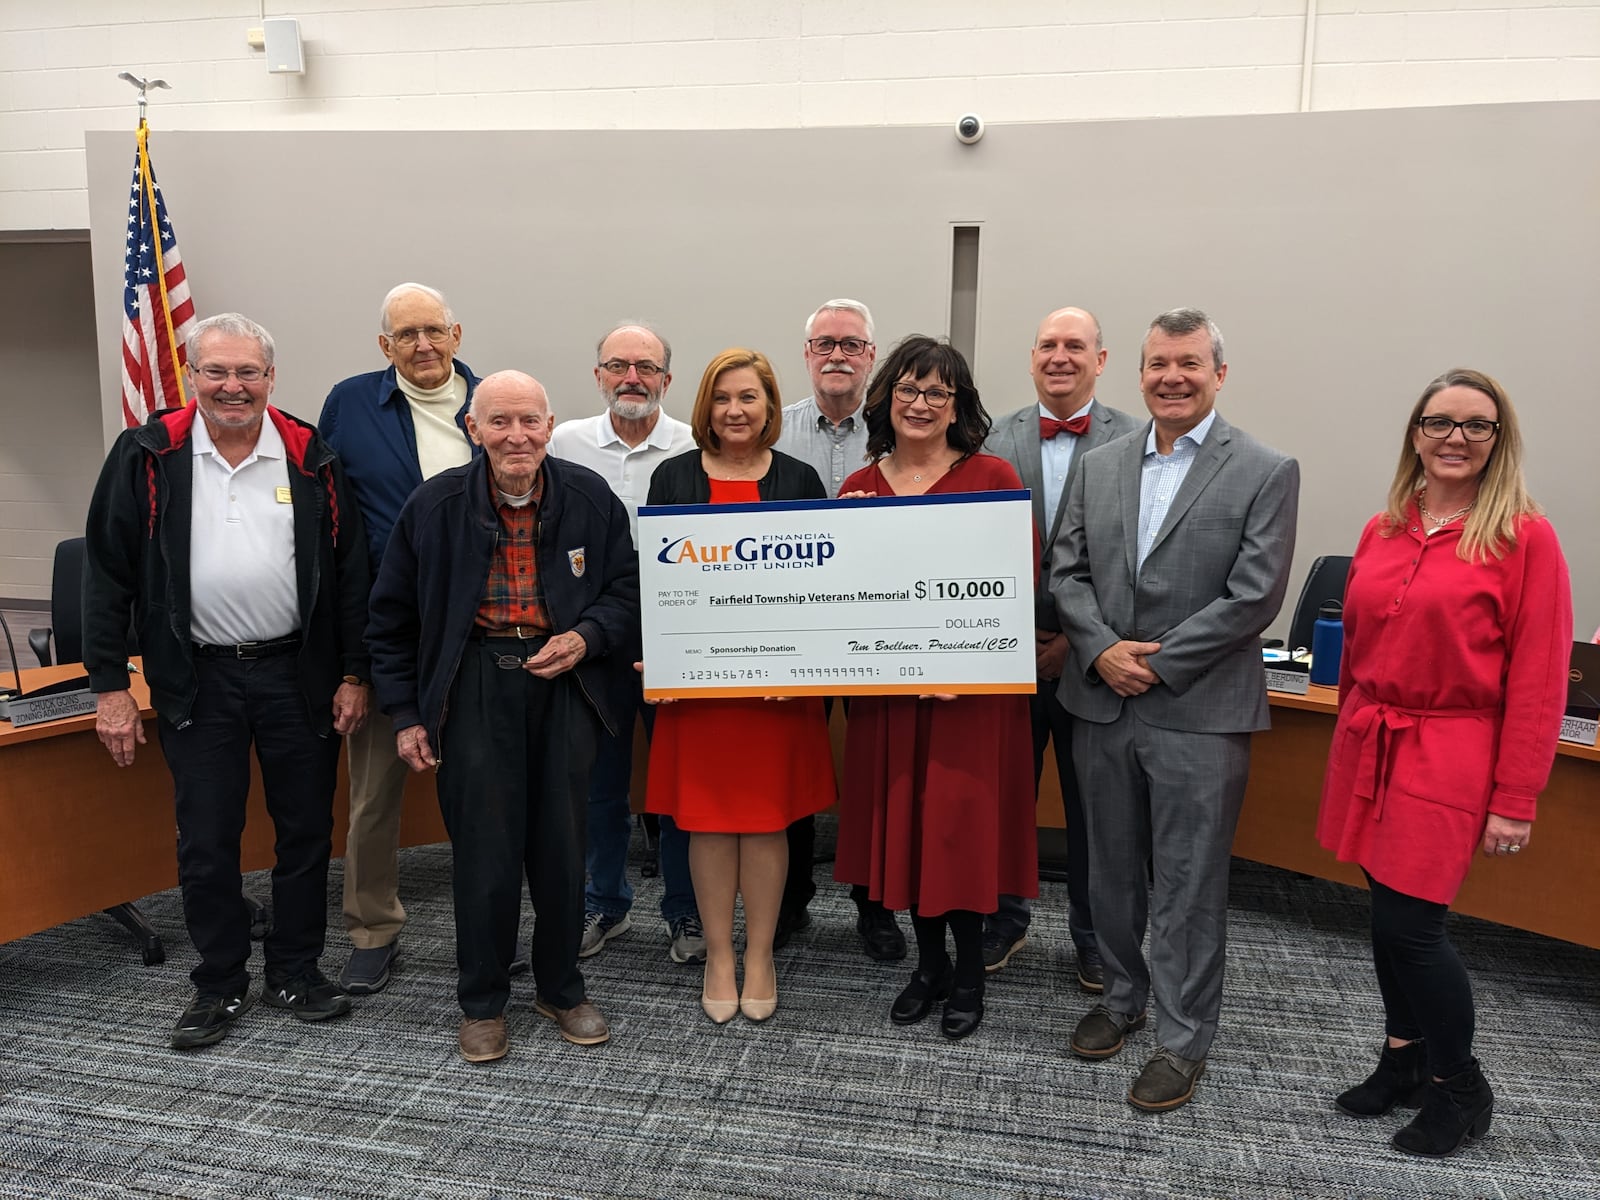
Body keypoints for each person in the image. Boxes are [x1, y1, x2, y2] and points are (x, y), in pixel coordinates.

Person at [84, 312, 370, 1049]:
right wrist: (111, 686)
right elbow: (107, 573)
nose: (233, 386)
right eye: (217, 371)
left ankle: (295, 970)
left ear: (271, 379)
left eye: (248, 372)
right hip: (197, 679)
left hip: (295, 675)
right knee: (207, 840)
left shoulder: (312, 456)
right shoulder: (148, 455)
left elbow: (351, 578)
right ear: (192, 376)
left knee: (307, 831)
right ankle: (219, 981)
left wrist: (353, 673)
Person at [1318, 368, 1572, 1157]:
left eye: (1476, 425)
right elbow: (1358, 646)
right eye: (1440, 422)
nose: (1455, 438)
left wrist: (1515, 797)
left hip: (1451, 749)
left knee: (1414, 927)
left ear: (1500, 441)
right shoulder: (1383, 527)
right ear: (1416, 435)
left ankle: (1459, 1086)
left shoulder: (1524, 536)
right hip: (1371, 743)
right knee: (1384, 917)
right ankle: (1403, 1057)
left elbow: (1539, 677)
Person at [1052, 307, 1299, 1110]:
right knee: (1110, 873)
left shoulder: (1265, 468)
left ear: (1218, 374)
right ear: (1141, 371)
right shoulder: (1102, 465)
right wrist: (1100, 650)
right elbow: (1068, 572)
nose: (1172, 377)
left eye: (1190, 363)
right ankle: (1123, 1000)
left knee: (1190, 884)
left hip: (1200, 711)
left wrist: (1155, 665)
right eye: (1160, 363)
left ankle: (1183, 1037)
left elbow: (1253, 595)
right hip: (1101, 702)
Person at [366, 370, 638, 1063]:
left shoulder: (589, 497)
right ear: (472, 429)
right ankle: (482, 1001)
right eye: (499, 422)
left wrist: (587, 637)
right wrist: (405, 714)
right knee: (484, 856)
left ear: (550, 426)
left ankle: (561, 987)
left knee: (561, 847)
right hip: (474, 686)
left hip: (565, 686)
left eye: (530, 421)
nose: (516, 436)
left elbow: (627, 589)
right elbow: (389, 621)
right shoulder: (434, 507)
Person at [833, 335, 1039, 1041]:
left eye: (937, 393)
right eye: (909, 390)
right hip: (890, 702)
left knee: (959, 831)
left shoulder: (993, 477)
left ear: (958, 407)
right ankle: (927, 969)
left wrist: (969, 665)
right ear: (887, 398)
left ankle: (970, 978)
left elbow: (1017, 593)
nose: (920, 403)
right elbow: (837, 602)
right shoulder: (859, 489)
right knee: (910, 832)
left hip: (969, 705)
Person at [644, 349, 838, 1024]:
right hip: (699, 694)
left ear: (770, 406)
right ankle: (720, 955)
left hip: (776, 693)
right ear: (706, 406)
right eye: (723, 397)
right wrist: (662, 662)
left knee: (764, 822)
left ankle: (759, 954)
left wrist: (804, 663)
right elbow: (657, 588)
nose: (735, 410)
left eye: (749, 397)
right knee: (704, 821)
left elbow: (822, 587)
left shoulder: (801, 479)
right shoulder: (672, 478)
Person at [318, 282, 480, 995]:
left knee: (486, 789)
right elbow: (333, 537)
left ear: (457, 335)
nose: (422, 345)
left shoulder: (493, 404)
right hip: (390, 629)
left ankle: (490, 925)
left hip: (478, 630)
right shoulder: (350, 405)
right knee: (375, 793)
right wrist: (352, 662)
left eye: (434, 332)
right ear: (385, 346)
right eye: (406, 335)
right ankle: (372, 928)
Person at [980, 306, 1141, 989]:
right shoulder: (991, 438)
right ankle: (1004, 920)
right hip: (1004, 659)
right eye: (1048, 344)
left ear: (1101, 360)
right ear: (1032, 357)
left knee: (1095, 814)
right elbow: (973, 551)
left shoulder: (1140, 441)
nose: (1060, 356)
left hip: (1092, 664)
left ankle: (1096, 937)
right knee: (1004, 801)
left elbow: (1135, 563)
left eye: (1075, 345)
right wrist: (1016, 639)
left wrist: (1076, 646)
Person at [547, 322, 703, 965]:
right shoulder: (564, 443)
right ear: (598, 375)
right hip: (597, 640)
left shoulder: (695, 447)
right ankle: (602, 903)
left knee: (678, 785)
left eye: (646, 366)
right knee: (598, 783)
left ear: (668, 379)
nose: (631, 377)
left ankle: (687, 913)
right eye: (618, 365)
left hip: (681, 639)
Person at [774, 298, 905, 962]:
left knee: (874, 766)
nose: (837, 355)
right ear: (806, 355)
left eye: (851, 345)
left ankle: (874, 903)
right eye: (825, 343)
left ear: (870, 358)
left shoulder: (901, 434)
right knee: (793, 759)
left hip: (873, 631)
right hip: (793, 632)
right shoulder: (773, 431)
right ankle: (789, 897)